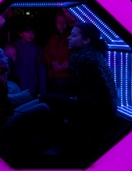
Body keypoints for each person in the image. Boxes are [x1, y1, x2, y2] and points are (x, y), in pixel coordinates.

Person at [39, 22, 118, 156]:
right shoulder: (94, 55)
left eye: (74, 35)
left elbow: (96, 95)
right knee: (48, 98)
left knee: (46, 99)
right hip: (101, 110)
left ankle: (59, 147)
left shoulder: (84, 59)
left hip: (95, 112)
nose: (69, 38)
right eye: (70, 34)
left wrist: (76, 101)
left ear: (86, 40)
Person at [0, 45, 52, 157]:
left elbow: (2, 101)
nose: (7, 58)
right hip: (2, 125)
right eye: (3, 56)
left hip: (6, 116)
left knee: (40, 101)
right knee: (44, 107)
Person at [43, 10, 74, 96]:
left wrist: (69, 62)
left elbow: (76, 53)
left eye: (64, 22)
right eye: (58, 23)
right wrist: (52, 63)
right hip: (52, 77)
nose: (61, 25)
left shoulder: (71, 37)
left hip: (66, 78)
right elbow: (46, 53)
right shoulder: (53, 38)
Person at [13, 19, 47, 97]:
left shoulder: (37, 49)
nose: (31, 34)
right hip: (17, 87)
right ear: (20, 33)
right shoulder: (14, 47)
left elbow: (41, 69)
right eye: (28, 32)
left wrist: (43, 90)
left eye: (33, 32)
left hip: (32, 88)